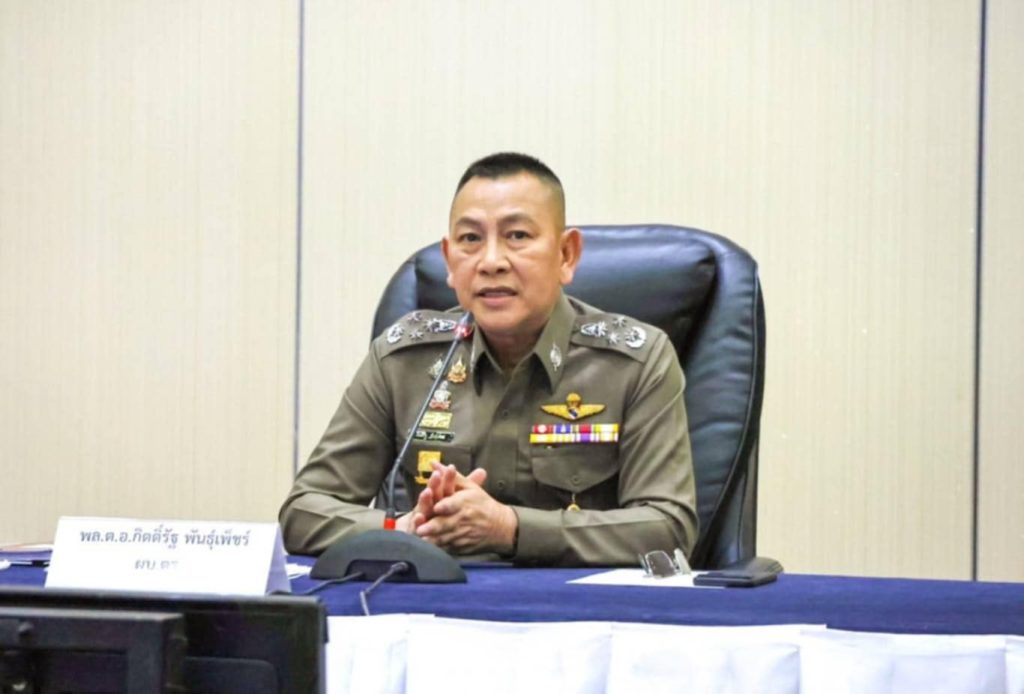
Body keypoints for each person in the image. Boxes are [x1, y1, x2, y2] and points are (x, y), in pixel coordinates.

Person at [279, 152, 698, 566]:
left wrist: (510, 528)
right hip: (434, 602)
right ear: (449, 260)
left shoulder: (636, 362)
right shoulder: (403, 360)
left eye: (517, 235)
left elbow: (669, 528)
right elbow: (304, 511)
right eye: (470, 240)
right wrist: (403, 530)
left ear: (566, 255)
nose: (491, 261)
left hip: (576, 606)